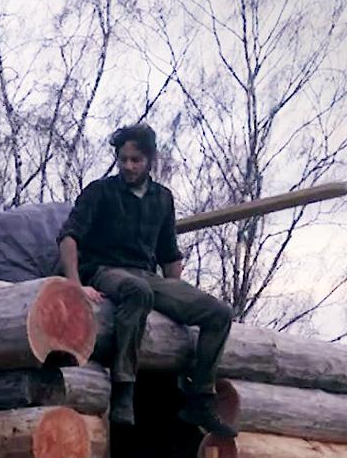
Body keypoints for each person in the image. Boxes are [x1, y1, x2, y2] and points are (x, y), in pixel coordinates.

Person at [58, 124, 237, 436]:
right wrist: (75, 285)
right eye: (123, 159)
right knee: (137, 291)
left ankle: (201, 398)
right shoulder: (100, 191)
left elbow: (169, 254)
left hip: (146, 274)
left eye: (136, 160)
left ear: (150, 159)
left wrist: (177, 300)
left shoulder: (162, 198)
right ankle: (124, 387)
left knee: (219, 313)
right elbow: (68, 237)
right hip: (103, 270)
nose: (128, 166)